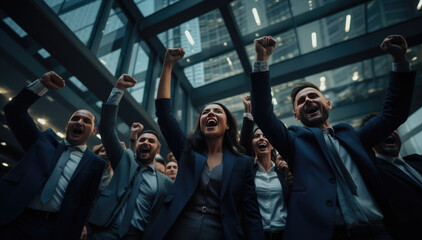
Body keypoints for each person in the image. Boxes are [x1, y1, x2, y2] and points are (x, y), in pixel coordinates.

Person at [250, 35, 416, 239]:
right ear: (296, 115)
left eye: (313, 96)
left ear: (328, 104)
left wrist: (400, 60)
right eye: (301, 101)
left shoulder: (353, 137)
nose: (308, 101)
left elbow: (393, 113)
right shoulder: (294, 141)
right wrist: (262, 59)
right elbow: (263, 115)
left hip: (379, 231)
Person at [144, 48, 264, 240]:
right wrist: (167, 65)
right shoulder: (187, 152)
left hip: (220, 232)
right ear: (200, 125)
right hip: (177, 228)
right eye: (205, 112)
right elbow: (164, 115)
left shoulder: (242, 163)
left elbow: (251, 213)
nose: (210, 114)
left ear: (227, 125)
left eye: (217, 111)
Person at [0, 71, 106, 240]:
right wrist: (41, 85)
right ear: (67, 125)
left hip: (52, 229)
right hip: (15, 218)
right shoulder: (42, 143)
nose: (79, 122)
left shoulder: (96, 164)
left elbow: (85, 204)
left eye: (86, 121)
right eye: (75, 118)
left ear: (93, 131)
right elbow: (14, 111)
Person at [86, 75, 173, 240]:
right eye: (142, 140)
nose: (146, 142)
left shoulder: (166, 183)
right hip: (103, 231)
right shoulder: (124, 159)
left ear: (158, 149)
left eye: (151, 141)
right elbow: (107, 130)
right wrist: (118, 90)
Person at [361, 113, 422, 239]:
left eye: (392, 129)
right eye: (380, 131)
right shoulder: (373, 174)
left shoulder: (418, 160)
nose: (389, 133)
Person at [239, 96, 290, 240]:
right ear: (252, 143)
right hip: (256, 235)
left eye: (265, 136)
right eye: (256, 136)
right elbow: (243, 146)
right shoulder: (249, 170)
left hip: (284, 233)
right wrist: (248, 111)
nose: (261, 138)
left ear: (272, 143)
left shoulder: (283, 173)